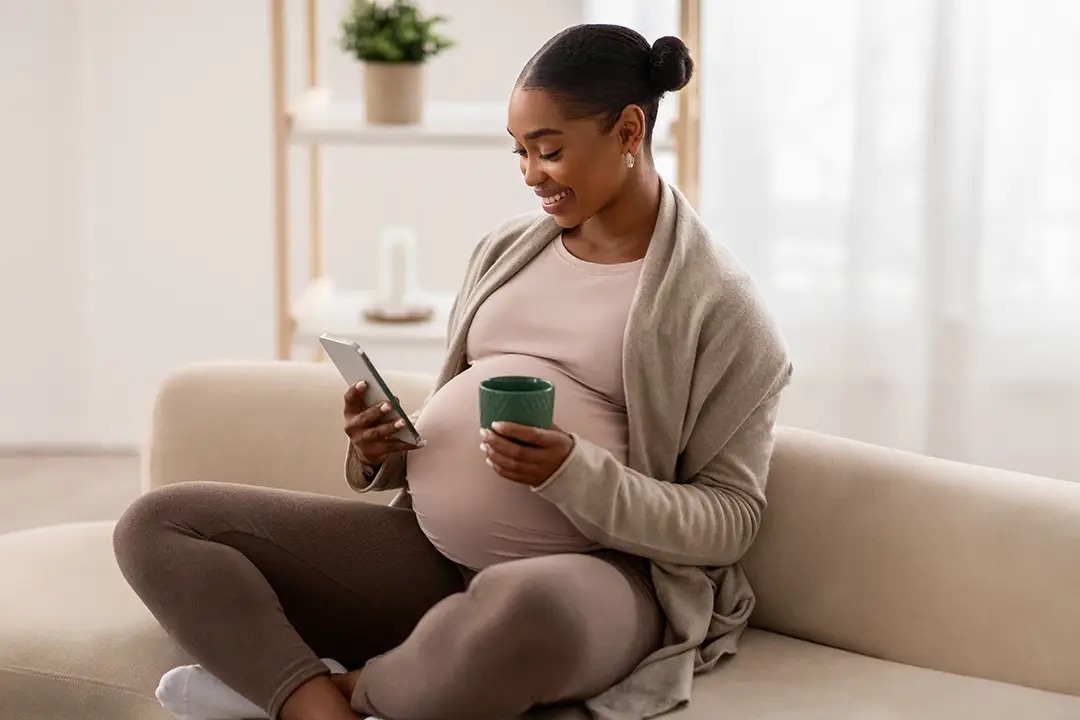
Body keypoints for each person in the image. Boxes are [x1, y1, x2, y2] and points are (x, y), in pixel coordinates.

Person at [113, 23, 791, 720]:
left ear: (627, 131)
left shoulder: (720, 310)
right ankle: (323, 707)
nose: (531, 174)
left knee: (521, 608)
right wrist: (377, 452)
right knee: (158, 525)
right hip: (429, 555)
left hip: (601, 579)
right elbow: (452, 413)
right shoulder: (506, 250)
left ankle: (317, 691)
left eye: (550, 150)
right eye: (520, 151)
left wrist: (574, 474)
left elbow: (730, 521)